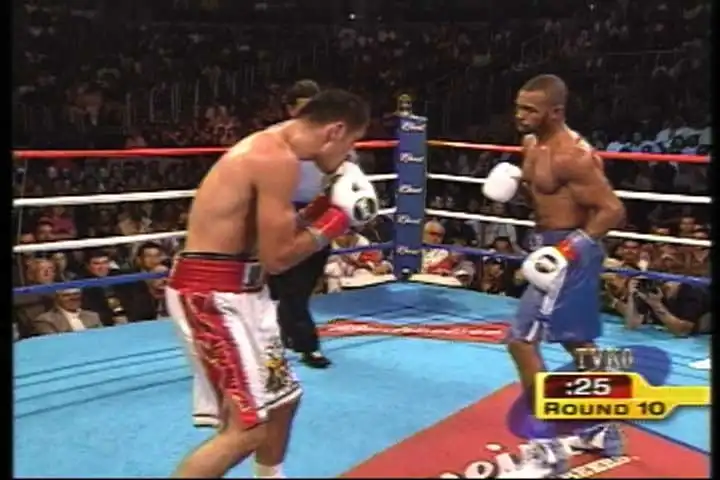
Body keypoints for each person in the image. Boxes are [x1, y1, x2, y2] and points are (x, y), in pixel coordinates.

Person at [164, 89, 377, 478]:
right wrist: (336, 221)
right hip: (210, 295)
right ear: (335, 131)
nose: (351, 154)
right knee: (246, 430)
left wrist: (321, 208)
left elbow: (273, 237)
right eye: (352, 142)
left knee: (283, 401)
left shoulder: (280, 151)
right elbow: (278, 258)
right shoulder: (274, 158)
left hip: (246, 290)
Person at [482, 74, 627, 478]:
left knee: (520, 341)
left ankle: (545, 448)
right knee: (576, 341)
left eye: (530, 109)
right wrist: (515, 182)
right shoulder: (531, 144)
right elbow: (546, 197)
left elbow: (613, 210)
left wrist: (567, 250)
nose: (520, 115)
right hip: (548, 248)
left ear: (556, 112)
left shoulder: (572, 154)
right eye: (518, 107)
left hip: (569, 254)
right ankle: (602, 429)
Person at [268, 79, 335, 368]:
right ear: (290, 109)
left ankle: (287, 333)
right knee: (288, 284)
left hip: (322, 210)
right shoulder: (274, 137)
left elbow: (348, 169)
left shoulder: (332, 136)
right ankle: (307, 345)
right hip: (283, 210)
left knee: (305, 282)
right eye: (305, 106)